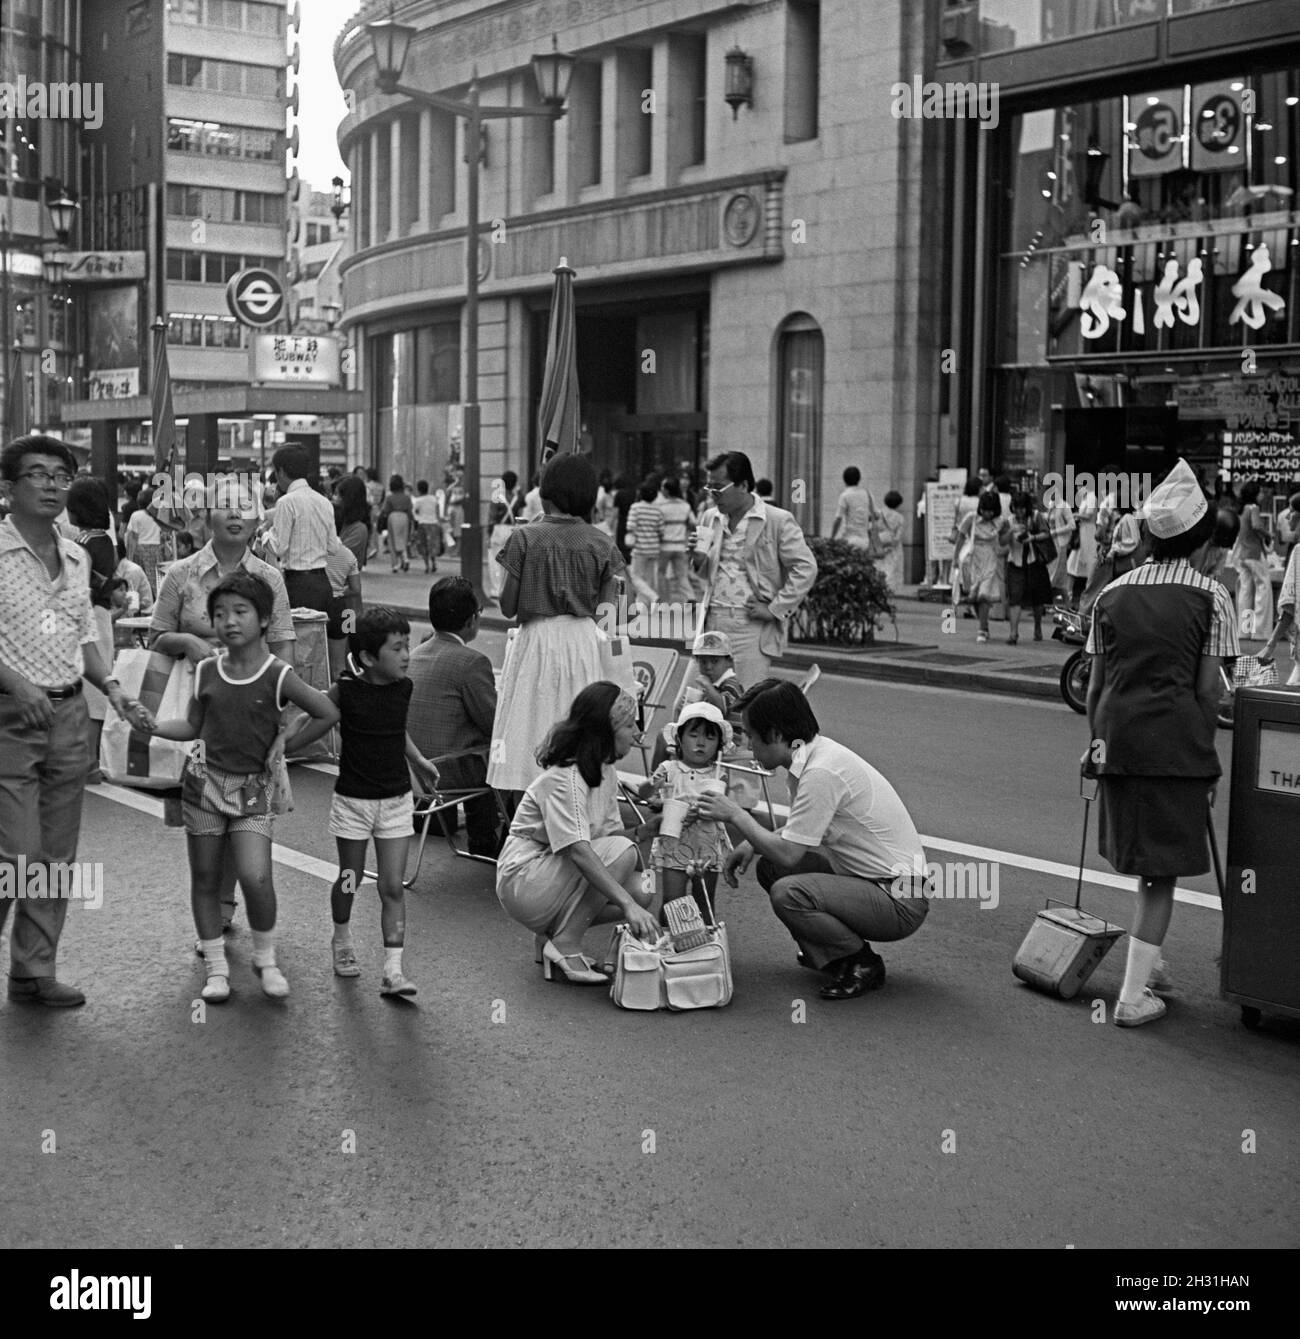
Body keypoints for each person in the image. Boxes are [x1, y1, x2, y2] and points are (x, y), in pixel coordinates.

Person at [1085, 459, 1237, 1027]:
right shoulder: (1211, 597)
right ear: (1201, 540)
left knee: (1144, 863)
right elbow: (1207, 693)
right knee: (1161, 873)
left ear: (1149, 536)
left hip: (1119, 739)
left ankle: (1150, 965)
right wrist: (1208, 762)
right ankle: (1131, 997)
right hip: (1175, 746)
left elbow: (1097, 686)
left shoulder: (1112, 593)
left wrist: (1096, 746)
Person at [0, 436, 148, 1007]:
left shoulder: (79, 555)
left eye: (60, 475)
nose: (51, 484)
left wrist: (112, 689)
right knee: (16, 853)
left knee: (56, 856)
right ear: (9, 488)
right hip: (10, 717)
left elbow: (83, 634)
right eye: (36, 474)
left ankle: (33, 970)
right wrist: (15, 684)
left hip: (65, 715)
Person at [144, 572, 338, 1003]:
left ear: (265, 619)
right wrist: (154, 725)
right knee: (206, 879)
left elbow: (325, 712)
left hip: (254, 791)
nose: (228, 621)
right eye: (219, 614)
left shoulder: (278, 674)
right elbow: (193, 725)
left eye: (240, 612)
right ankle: (216, 969)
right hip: (204, 786)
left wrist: (283, 745)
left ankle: (265, 959)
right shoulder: (207, 670)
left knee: (255, 876)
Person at [696, 679, 930, 1001]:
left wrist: (737, 815)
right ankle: (832, 955)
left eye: (751, 735)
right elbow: (800, 830)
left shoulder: (821, 773)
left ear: (776, 735)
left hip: (900, 898)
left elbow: (791, 853)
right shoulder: (811, 758)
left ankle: (862, 963)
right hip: (873, 882)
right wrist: (751, 843)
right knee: (771, 868)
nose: (748, 744)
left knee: (788, 891)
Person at [149, 494, 297, 931]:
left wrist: (283, 718)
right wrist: (191, 644)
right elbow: (157, 638)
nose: (235, 515)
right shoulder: (182, 574)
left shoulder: (270, 578)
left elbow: (285, 645)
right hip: (200, 715)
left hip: (254, 717)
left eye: (245, 507)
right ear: (207, 515)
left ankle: (227, 906)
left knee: (245, 813)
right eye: (226, 505)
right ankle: (213, 909)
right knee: (208, 818)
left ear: (257, 520)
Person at [487, 454, 630, 805]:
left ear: (546, 491)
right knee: (578, 723)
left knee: (528, 724)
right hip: (582, 640)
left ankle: (527, 811)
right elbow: (614, 613)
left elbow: (507, 606)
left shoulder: (524, 538)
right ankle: (576, 810)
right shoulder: (601, 542)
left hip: (535, 639)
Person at [495, 683, 660, 983]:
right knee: (626, 870)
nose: (637, 732)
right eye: (629, 723)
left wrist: (646, 831)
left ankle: (550, 937)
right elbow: (581, 851)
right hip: (524, 876)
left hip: (550, 873)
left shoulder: (604, 771)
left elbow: (609, 839)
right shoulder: (566, 779)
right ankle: (567, 943)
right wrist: (627, 906)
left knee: (643, 888)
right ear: (605, 731)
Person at [326, 608, 439, 997]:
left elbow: (396, 730)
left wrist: (419, 760)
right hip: (354, 800)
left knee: (392, 887)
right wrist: (278, 747)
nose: (407, 654)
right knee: (350, 877)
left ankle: (393, 971)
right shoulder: (346, 691)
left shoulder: (403, 688)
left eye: (407, 645)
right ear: (370, 658)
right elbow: (314, 719)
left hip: (395, 799)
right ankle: (341, 939)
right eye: (397, 648)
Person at [692, 451, 817, 690]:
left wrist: (775, 608)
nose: (713, 495)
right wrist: (698, 559)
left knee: (744, 704)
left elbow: (806, 567)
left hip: (749, 625)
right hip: (712, 618)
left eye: (718, 488)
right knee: (691, 703)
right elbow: (706, 572)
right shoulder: (710, 517)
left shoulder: (776, 519)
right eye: (709, 488)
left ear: (743, 485)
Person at [408, 576, 501, 858]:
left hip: (411, 768)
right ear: (472, 619)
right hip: (446, 771)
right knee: (502, 754)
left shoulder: (413, 654)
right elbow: (494, 723)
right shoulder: (472, 662)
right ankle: (486, 840)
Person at [644, 702, 733, 926]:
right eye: (693, 735)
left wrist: (706, 810)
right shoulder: (668, 768)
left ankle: (704, 946)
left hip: (707, 842)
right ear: (680, 739)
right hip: (674, 839)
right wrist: (654, 795)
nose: (701, 743)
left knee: (703, 899)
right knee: (672, 901)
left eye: (710, 738)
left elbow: (724, 809)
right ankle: (668, 944)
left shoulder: (719, 773)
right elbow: (648, 795)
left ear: (719, 745)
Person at [270, 445, 340, 614]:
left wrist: (264, 535)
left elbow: (279, 548)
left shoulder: (286, 502)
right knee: (319, 637)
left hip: (297, 584)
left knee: (298, 637)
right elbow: (333, 548)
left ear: (280, 471)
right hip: (323, 582)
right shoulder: (324, 501)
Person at [955, 489, 1010, 642]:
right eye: (985, 510)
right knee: (973, 597)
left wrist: (1009, 532)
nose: (987, 514)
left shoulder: (1000, 522)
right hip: (972, 559)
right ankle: (984, 625)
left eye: (991, 511)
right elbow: (960, 537)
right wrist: (955, 558)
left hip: (991, 558)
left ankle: (981, 630)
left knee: (983, 595)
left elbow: (1004, 541)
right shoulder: (971, 518)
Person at [1005, 490, 1054, 643]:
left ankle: (1038, 627)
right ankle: (1013, 633)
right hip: (1015, 562)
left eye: (1022, 507)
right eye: (1016, 507)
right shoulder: (1010, 520)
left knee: (1037, 598)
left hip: (1034, 562)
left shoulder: (1036, 517)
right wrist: (1010, 533)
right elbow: (1003, 540)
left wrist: (1032, 537)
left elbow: (1047, 533)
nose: (1019, 511)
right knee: (1015, 598)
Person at [1233, 479, 1274, 640]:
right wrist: (1268, 535)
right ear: (1254, 494)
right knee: (1263, 590)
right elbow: (1257, 526)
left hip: (1242, 554)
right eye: (1261, 492)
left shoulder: (1242, 509)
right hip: (1254, 553)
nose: (1262, 495)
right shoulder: (1254, 508)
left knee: (1246, 593)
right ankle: (1260, 632)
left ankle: (1244, 630)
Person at [1260, 536, 1300, 686]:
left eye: (1292, 511)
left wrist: (1270, 645)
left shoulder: (1298, 552)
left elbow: (1290, 605)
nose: (1288, 516)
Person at [324, 535, 362, 681]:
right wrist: (339, 590)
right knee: (340, 664)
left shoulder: (313, 552)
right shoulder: (348, 554)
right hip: (344, 610)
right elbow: (356, 589)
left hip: (318, 608)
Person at [656, 475, 696, 603]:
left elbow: (657, 526)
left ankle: (664, 600)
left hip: (664, 547)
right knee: (682, 575)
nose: (661, 489)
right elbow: (693, 523)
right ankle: (690, 597)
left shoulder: (661, 507)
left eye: (663, 487)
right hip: (680, 546)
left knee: (661, 574)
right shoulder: (685, 505)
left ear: (667, 490)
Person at [626, 479, 664, 603]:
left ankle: (653, 597)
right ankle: (643, 606)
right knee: (648, 578)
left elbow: (631, 527)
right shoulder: (658, 510)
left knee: (634, 577)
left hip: (640, 547)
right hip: (654, 548)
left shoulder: (635, 508)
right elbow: (661, 530)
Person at [124, 484, 167, 594]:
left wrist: (129, 557)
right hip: (156, 550)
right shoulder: (160, 515)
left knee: (140, 582)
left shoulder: (136, 515)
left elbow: (133, 538)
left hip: (140, 550)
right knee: (156, 581)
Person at [485, 471, 521, 602]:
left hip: (499, 529)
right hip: (512, 529)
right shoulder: (517, 498)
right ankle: (507, 589)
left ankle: (496, 589)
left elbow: (492, 517)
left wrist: (488, 535)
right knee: (509, 561)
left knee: (495, 560)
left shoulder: (497, 497)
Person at [830, 466, 878, 549]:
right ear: (859, 479)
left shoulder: (845, 495)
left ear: (844, 480)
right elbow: (876, 515)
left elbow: (838, 518)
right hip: (865, 541)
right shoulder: (868, 494)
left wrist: (832, 537)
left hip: (849, 539)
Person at [334, 474, 372, 570]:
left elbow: (339, 559)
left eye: (338, 495)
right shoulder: (342, 521)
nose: (335, 499)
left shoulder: (359, 529)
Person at [379, 474, 413, 574]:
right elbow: (410, 511)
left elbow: (385, 510)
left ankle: (395, 565)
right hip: (405, 517)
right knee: (403, 539)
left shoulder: (389, 497)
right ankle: (405, 558)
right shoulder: (407, 497)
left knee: (393, 541)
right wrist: (411, 522)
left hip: (393, 517)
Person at [876, 489, 906, 590]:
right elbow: (898, 536)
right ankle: (888, 589)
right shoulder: (899, 517)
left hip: (879, 543)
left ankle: (877, 587)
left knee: (878, 566)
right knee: (891, 569)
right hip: (893, 546)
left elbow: (872, 529)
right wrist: (892, 545)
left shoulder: (878, 514)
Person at [412, 479, 441, 574]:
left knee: (423, 545)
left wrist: (418, 517)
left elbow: (414, 512)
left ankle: (427, 566)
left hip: (422, 523)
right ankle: (434, 563)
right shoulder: (433, 499)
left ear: (419, 489)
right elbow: (437, 511)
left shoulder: (418, 500)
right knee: (432, 545)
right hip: (433, 523)